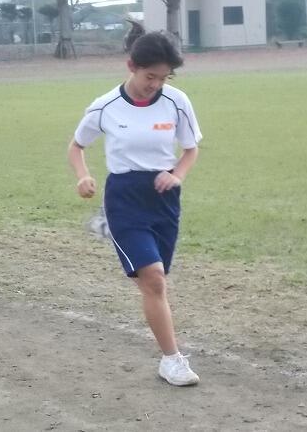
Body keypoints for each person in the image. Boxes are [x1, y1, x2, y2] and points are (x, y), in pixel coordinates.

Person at [67, 26, 203, 386]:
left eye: (163, 78)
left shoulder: (177, 102)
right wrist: (83, 176)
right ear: (131, 66)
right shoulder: (105, 106)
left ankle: (107, 228)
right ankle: (172, 361)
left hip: (163, 198)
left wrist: (177, 175)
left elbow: (191, 149)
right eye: (149, 77)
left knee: (158, 278)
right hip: (124, 196)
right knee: (153, 279)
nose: (155, 85)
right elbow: (77, 146)